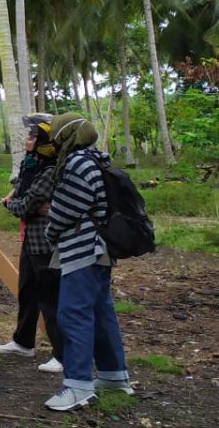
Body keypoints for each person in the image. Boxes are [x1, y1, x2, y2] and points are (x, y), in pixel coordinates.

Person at [43, 113, 133, 411]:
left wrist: (50, 230)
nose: (53, 142)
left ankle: (78, 385)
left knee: (73, 314)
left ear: (66, 136)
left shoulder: (76, 163)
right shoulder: (97, 158)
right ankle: (113, 375)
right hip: (99, 248)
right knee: (100, 311)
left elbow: (66, 209)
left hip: (82, 248)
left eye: (56, 135)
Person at [0, 114, 63, 373]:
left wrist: (12, 204)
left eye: (32, 136)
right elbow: (22, 194)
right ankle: (23, 342)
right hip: (30, 241)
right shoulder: (31, 165)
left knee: (49, 299)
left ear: (44, 142)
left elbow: (26, 204)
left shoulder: (48, 172)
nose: (26, 138)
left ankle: (63, 354)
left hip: (44, 243)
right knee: (28, 293)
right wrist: (18, 201)